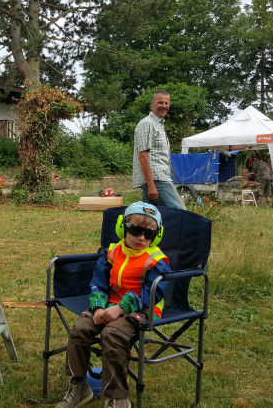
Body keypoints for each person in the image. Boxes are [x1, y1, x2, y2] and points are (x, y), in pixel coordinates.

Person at [56, 202, 171, 408]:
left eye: (149, 234)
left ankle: (118, 398)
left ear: (157, 235)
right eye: (135, 230)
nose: (142, 238)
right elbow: (98, 282)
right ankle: (79, 385)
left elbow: (152, 293)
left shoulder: (156, 260)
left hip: (142, 310)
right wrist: (99, 307)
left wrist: (120, 309)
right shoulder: (111, 252)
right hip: (108, 305)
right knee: (81, 327)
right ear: (123, 227)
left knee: (113, 333)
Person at [132, 91, 186, 210]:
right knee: (181, 213)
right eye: (160, 102)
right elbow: (142, 155)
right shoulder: (147, 124)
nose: (164, 106)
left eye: (166, 103)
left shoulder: (159, 125)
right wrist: (151, 185)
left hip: (159, 178)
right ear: (153, 104)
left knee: (150, 217)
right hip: (157, 179)